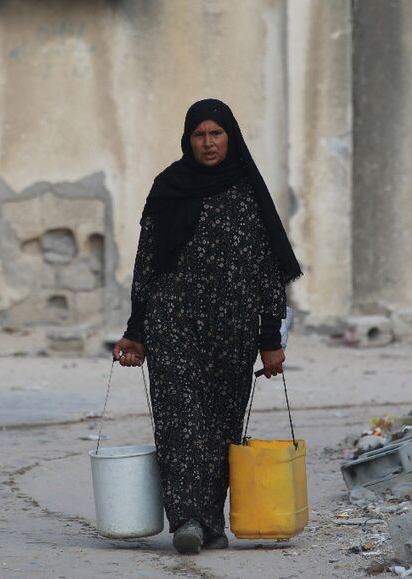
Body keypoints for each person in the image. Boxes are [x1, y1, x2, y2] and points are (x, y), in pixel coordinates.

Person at [112, 99, 302, 555]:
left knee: (220, 424)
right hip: (172, 323)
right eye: (200, 135)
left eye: (216, 133)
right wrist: (136, 330)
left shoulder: (246, 191)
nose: (208, 142)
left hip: (231, 329)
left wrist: (270, 340)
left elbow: (267, 271)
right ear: (188, 139)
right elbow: (146, 265)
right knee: (179, 422)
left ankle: (211, 521)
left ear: (230, 136)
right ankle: (186, 520)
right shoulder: (168, 187)